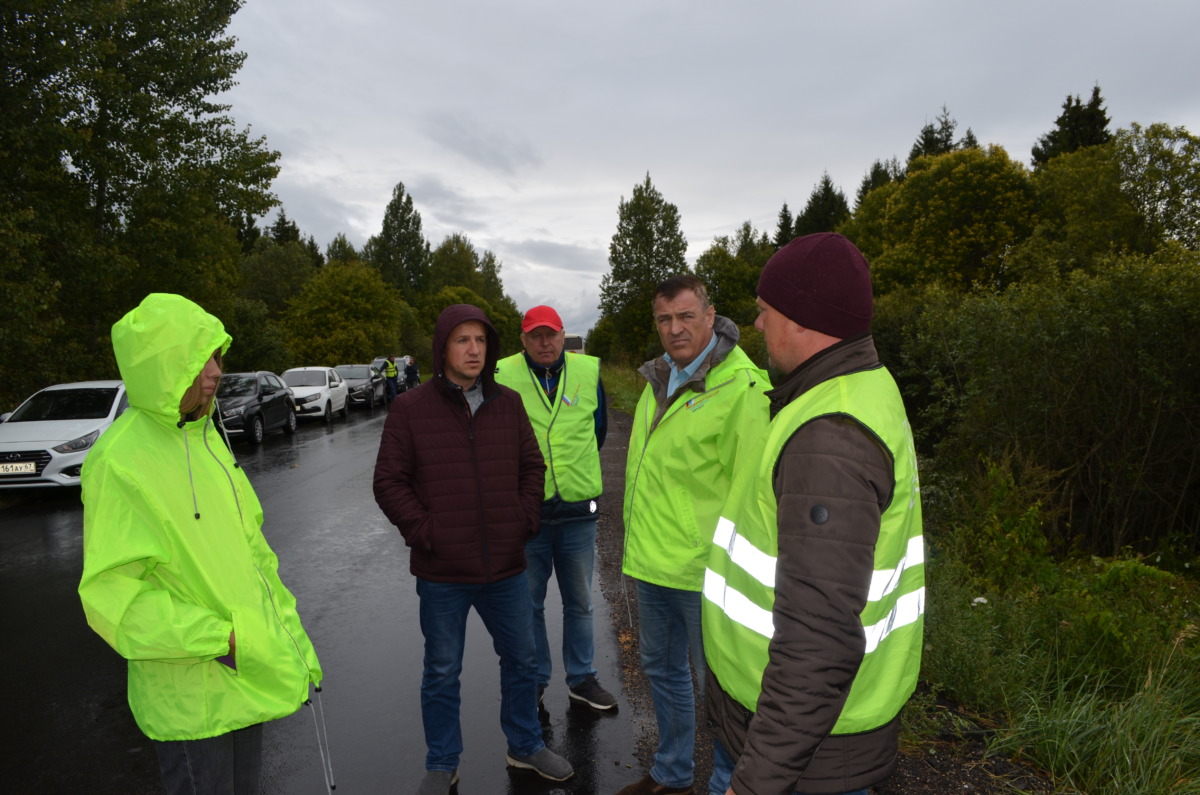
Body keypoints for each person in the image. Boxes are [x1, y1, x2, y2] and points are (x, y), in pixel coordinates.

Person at [702, 233, 926, 795]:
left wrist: (754, 783)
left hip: (799, 762)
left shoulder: (829, 436)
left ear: (800, 319)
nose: (756, 326)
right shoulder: (851, 391)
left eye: (763, 311)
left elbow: (819, 643)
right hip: (789, 741)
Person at [78, 293, 326, 795]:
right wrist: (221, 640)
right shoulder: (119, 461)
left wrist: (286, 639)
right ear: (166, 365)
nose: (216, 371)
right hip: (191, 690)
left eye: (217, 356)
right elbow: (113, 597)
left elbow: (254, 556)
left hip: (245, 670)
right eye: (201, 357)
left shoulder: (208, 439)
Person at [373, 303, 574, 794]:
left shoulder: (507, 404)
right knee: (442, 671)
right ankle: (443, 760)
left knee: (523, 661)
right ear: (443, 347)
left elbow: (532, 467)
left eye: (481, 341)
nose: (474, 350)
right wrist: (428, 532)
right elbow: (388, 482)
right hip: (443, 571)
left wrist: (523, 518)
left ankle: (525, 745)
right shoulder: (411, 408)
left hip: (505, 566)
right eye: (463, 340)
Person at [619, 275, 771, 795]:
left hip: (707, 571)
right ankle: (672, 771)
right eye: (665, 319)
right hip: (652, 562)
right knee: (661, 672)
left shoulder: (742, 388)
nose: (675, 328)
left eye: (686, 316)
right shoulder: (658, 379)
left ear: (711, 316)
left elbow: (755, 494)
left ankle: (726, 785)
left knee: (724, 689)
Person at [494, 305, 615, 716]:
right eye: (535, 336)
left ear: (564, 335)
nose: (545, 343)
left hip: (579, 510)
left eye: (552, 335)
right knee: (528, 604)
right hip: (527, 513)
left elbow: (598, 429)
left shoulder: (587, 373)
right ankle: (535, 679)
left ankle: (582, 678)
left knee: (579, 602)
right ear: (523, 340)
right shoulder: (502, 374)